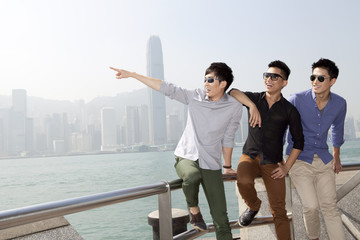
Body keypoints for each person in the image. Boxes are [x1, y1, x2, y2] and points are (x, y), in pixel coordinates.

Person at [110, 62, 260, 239]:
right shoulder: (194, 96)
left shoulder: (233, 107)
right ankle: (194, 211)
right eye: (204, 80)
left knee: (221, 217)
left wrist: (227, 166)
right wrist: (133, 74)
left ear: (223, 84)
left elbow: (228, 138)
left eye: (210, 80)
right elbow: (167, 88)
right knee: (191, 176)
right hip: (186, 156)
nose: (206, 84)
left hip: (211, 162)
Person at [229, 60, 304, 240]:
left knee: (279, 211)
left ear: (284, 82)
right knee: (244, 181)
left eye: (274, 76)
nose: (269, 79)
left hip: (273, 163)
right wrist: (252, 106)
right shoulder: (255, 98)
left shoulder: (289, 110)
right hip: (250, 156)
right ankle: (253, 206)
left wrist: (286, 168)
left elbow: (299, 142)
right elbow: (232, 92)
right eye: (267, 75)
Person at [285, 58, 346, 240]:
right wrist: (279, 159)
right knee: (311, 206)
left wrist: (336, 156)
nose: (315, 81)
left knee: (330, 206)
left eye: (321, 78)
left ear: (332, 81)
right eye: (313, 77)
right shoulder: (296, 99)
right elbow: (281, 128)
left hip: (324, 160)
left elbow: (337, 131)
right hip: (299, 159)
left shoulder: (340, 103)